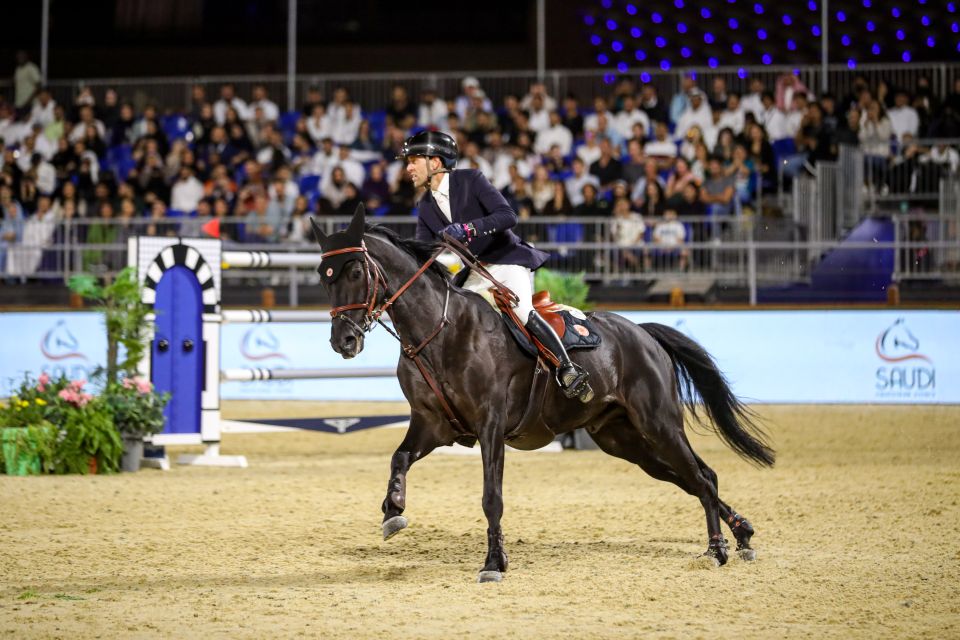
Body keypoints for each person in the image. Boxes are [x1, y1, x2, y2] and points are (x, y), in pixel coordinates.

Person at [398, 130, 593, 402]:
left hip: (507, 261)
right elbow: (423, 252)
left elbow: (508, 215)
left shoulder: (471, 180)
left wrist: (469, 229)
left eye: (413, 161)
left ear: (435, 162)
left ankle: (567, 369)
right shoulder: (426, 205)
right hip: (475, 272)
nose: (408, 168)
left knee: (522, 311)